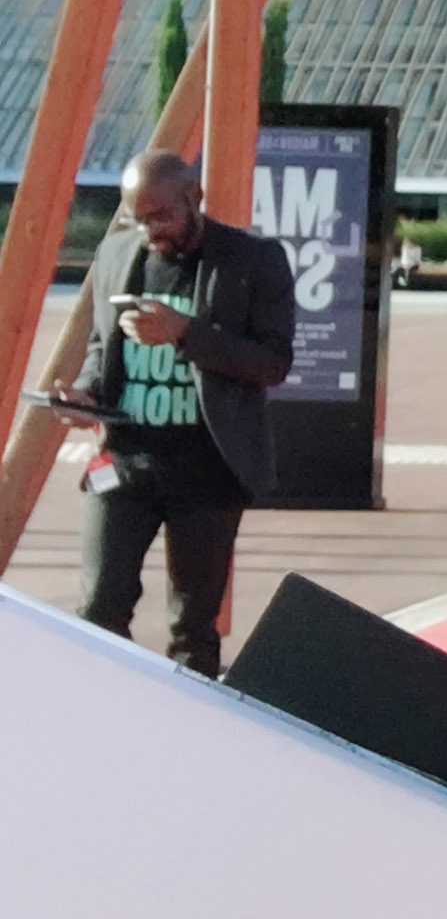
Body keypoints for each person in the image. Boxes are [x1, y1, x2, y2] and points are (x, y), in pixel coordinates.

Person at [54, 149, 294, 676]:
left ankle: (188, 721)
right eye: (137, 219)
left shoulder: (253, 259)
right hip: (124, 462)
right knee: (97, 609)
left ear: (194, 197)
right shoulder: (116, 252)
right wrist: (87, 395)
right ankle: (108, 710)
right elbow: (102, 347)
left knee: (192, 629)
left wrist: (185, 332)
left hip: (208, 468)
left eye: (160, 216)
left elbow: (274, 362)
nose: (149, 232)